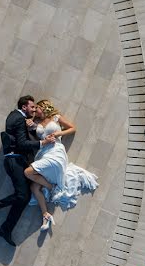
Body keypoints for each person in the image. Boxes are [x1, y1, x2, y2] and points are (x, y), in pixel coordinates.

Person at [0, 95, 56, 246]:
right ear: (24, 107)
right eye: (32, 107)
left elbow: (19, 137)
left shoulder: (14, 116)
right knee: (22, 196)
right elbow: (21, 144)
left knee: (24, 197)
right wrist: (43, 142)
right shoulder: (19, 119)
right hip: (15, 161)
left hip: (15, 161)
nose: (34, 110)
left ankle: (6, 229)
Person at [24, 99, 99, 232]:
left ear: (44, 107)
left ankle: (52, 187)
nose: (35, 111)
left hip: (56, 152)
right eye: (34, 109)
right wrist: (29, 127)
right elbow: (37, 141)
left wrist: (59, 133)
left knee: (28, 172)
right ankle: (46, 215)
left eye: (37, 108)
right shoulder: (37, 124)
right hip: (43, 153)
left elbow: (72, 128)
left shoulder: (56, 117)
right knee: (34, 187)